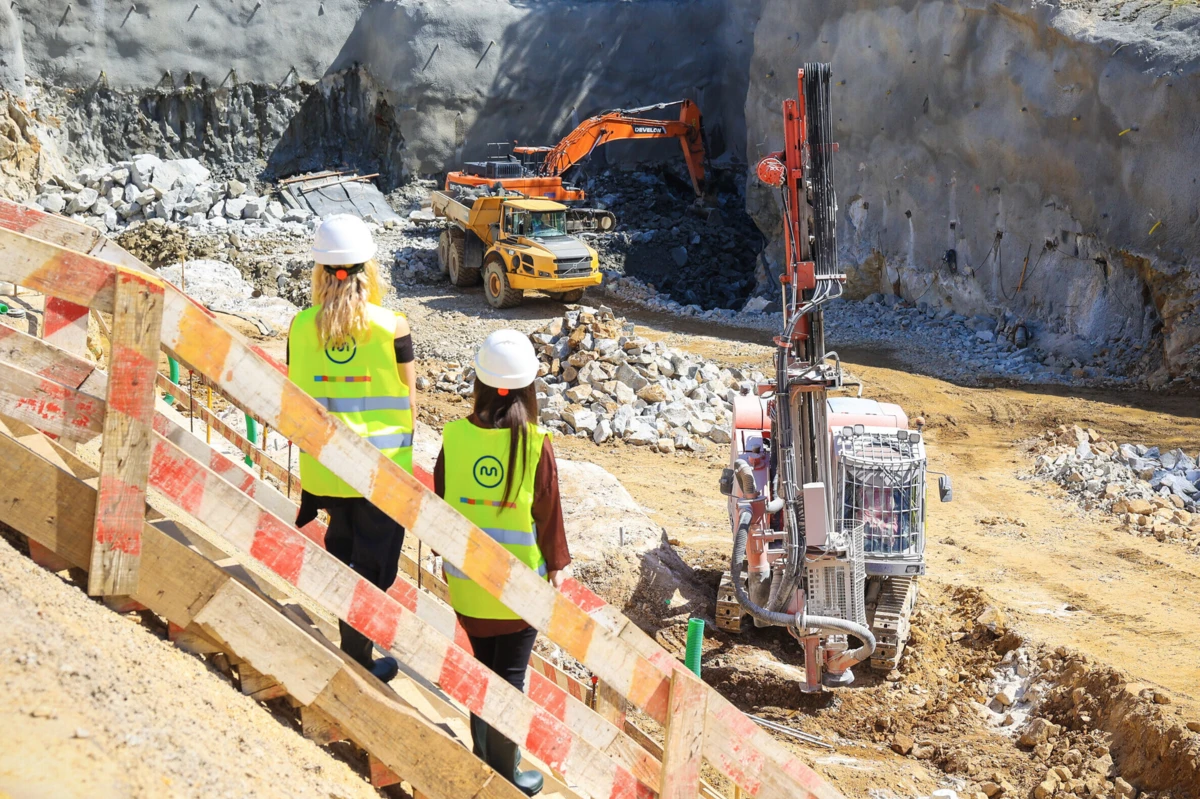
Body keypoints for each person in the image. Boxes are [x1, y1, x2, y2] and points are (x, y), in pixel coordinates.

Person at [434, 329, 571, 797]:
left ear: (480, 381)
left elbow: (440, 504)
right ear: (530, 387)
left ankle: (484, 760)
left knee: (481, 669)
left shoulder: (453, 436)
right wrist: (557, 566)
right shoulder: (536, 444)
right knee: (510, 676)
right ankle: (507, 774)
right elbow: (549, 515)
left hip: (468, 586)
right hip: (518, 593)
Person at [287, 214, 416, 683]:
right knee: (375, 568)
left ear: (320, 272)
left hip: (325, 468)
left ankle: (353, 650)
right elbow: (410, 401)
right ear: (370, 270)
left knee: (341, 548)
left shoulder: (300, 327)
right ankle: (357, 659)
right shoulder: (392, 326)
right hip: (380, 473)